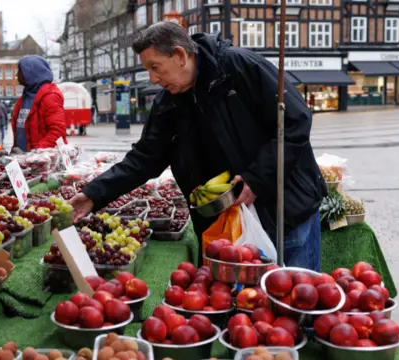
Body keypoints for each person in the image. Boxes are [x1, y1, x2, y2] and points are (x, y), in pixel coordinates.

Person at [69, 22, 327, 271]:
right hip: (225, 224)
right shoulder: (168, 103)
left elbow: (295, 121)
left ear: (180, 55)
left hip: (286, 211)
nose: (153, 79)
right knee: (244, 309)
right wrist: (94, 195)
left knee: (296, 298)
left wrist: (259, 177)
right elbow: (145, 157)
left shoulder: (239, 67)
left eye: (155, 67)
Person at [11, 55, 66, 153]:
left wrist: (35, 154)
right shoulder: (22, 100)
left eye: (20, 70)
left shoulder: (50, 96)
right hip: (25, 161)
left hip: (45, 161)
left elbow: (57, 132)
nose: (16, 75)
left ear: (30, 72)